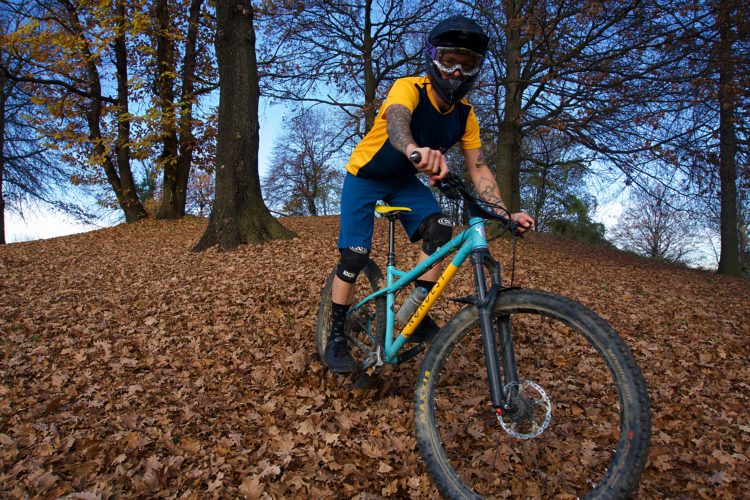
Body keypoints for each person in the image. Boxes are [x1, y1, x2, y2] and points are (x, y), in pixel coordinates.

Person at [324, 15, 535, 374]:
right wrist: (415, 151)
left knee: (441, 228)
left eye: (467, 65)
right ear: (432, 58)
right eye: (449, 60)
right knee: (355, 255)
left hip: (405, 180)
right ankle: (335, 334)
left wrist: (504, 211)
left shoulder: (466, 116)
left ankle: (416, 313)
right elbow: (397, 125)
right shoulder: (408, 88)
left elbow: (480, 168)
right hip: (365, 175)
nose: (456, 72)